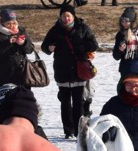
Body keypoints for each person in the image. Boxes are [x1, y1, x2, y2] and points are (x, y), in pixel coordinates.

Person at [41, 4, 99, 139]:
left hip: (79, 70)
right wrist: (49, 48)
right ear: (60, 17)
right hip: (62, 70)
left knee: (78, 102)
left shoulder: (82, 28)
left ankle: (79, 131)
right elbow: (44, 47)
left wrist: (82, 47)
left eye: (68, 15)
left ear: (73, 16)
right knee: (65, 102)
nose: (66, 18)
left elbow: (94, 44)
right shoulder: (55, 30)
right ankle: (68, 131)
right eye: (63, 16)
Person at [0, 9, 35, 88]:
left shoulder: (21, 30)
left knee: (24, 99)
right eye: (8, 23)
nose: (12, 26)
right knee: (6, 99)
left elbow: (30, 49)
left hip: (22, 73)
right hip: (4, 74)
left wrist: (23, 43)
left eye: (14, 23)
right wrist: (7, 43)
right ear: (2, 23)